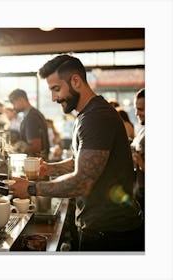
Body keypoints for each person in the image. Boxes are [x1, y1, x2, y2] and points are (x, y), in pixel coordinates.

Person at [9, 54, 144, 251]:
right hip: (102, 228)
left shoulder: (96, 117)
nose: (54, 98)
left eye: (56, 89)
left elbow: (82, 182)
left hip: (110, 234)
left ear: (76, 81)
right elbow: (81, 162)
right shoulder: (87, 114)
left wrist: (31, 188)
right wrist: (50, 169)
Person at [8, 88, 50, 160]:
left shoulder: (31, 117)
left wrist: (18, 148)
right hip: (39, 162)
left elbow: (36, 147)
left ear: (21, 100)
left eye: (13, 103)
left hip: (35, 164)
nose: (13, 107)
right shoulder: (34, 113)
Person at [131, 88, 145, 214]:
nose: (136, 113)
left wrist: (141, 162)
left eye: (140, 109)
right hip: (139, 194)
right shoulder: (142, 130)